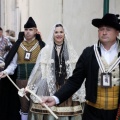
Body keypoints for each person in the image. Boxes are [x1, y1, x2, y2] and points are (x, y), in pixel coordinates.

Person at [40, 13, 120, 120]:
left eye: (108, 29)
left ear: (117, 32)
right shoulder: (88, 53)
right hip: (92, 114)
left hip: (117, 113)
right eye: (101, 29)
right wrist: (56, 98)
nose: (104, 32)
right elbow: (75, 81)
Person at [26, 23, 85, 120]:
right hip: (49, 86)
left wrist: (80, 88)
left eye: (61, 32)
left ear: (64, 34)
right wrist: (30, 85)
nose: (59, 34)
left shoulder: (71, 50)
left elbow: (76, 71)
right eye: (56, 32)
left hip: (66, 87)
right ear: (53, 34)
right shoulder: (46, 50)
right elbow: (39, 70)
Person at [0, 17, 45, 120]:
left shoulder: (41, 46)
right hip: (21, 81)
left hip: (37, 82)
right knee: (24, 107)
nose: (28, 32)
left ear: (35, 31)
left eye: (30, 30)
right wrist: (6, 71)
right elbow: (13, 64)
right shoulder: (18, 45)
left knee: (36, 106)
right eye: (26, 29)